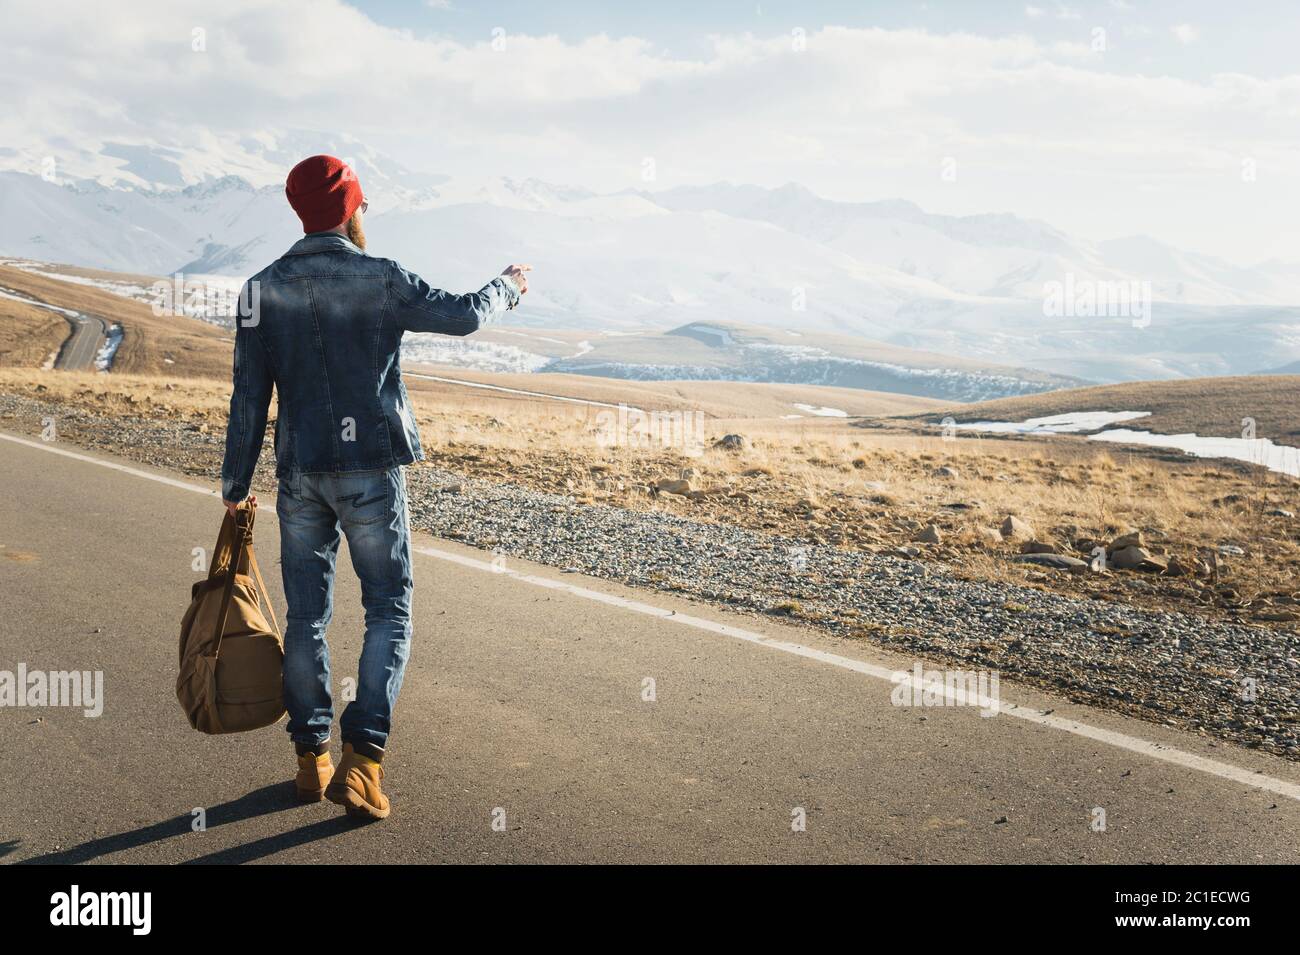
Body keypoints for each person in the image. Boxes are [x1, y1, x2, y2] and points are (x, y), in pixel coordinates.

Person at [220, 154, 530, 819]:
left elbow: (249, 398)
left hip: (301, 474)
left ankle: (312, 760)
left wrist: (235, 482)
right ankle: (362, 760)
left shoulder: (260, 290)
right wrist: (506, 285)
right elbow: (466, 315)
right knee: (388, 607)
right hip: (370, 472)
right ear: (352, 208)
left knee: (307, 616)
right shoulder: (382, 278)